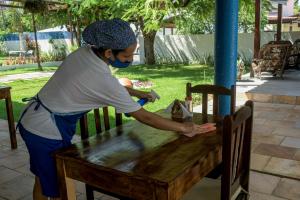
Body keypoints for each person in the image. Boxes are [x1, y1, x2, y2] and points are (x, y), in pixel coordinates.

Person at [18, 19, 209, 200]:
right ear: (109, 52)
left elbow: (105, 86)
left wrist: (135, 92)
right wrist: (186, 128)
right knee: (58, 188)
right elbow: (145, 117)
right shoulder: (99, 76)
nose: (130, 60)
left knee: (43, 180)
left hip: (34, 118)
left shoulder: (85, 53)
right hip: (46, 131)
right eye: (126, 56)